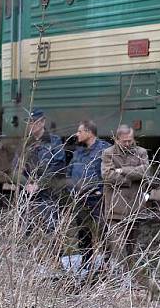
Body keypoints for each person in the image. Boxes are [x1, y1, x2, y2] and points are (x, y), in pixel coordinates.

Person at [101, 125, 150, 269]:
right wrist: (130, 180)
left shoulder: (141, 152)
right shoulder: (108, 153)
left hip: (135, 207)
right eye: (124, 141)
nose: (128, 144)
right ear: (117, 140)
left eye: (130, 140)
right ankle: (118, 279)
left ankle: (128, 277)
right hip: (115, 209)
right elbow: (107, 176)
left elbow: (145, 171)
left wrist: (122, 170)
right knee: (117, 247)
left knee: (131, 247)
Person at [11, 108, 66, 234]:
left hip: (48, 195)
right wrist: (27, 185)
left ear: (42, 122)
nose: (31, 125)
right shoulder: (24, 143)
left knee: (51, 230)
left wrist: (39, 184)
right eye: (28, 122)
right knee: (26, 232)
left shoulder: (54, 141)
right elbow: (14, 169)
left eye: (34, 122)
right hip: (26, 196)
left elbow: (58, 167)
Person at [66, 120, 110, 268]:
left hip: (97, 198)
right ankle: (86, 262)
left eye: (79, 131)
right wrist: (71, 190)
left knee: (103, 230)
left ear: (89, 132)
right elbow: (70, 172)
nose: (77, 134)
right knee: (83, 232)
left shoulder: (105, 150)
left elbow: (110, 173)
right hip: (80, 198)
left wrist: (101, 191)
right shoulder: (78, 152)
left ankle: (107, 263)